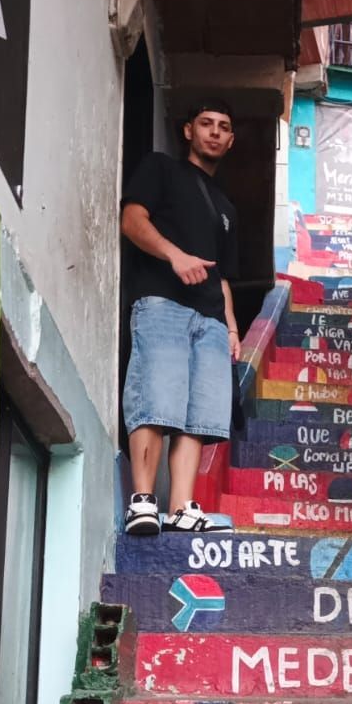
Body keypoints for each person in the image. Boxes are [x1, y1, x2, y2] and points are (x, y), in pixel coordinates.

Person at [120, 100, 242, 535]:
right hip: (161, 302)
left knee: (198, 418)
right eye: (206, 123)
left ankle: (182, 508)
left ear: (230, 140)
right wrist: (174, 255)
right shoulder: (161, 169)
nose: (214, 132)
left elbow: (222, 275)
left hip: (209, 320)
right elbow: (131, 220)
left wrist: (230, 326)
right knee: (156, 400)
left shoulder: (227, 207)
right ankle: (142, 501)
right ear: (188, 130)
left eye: (223, 127)